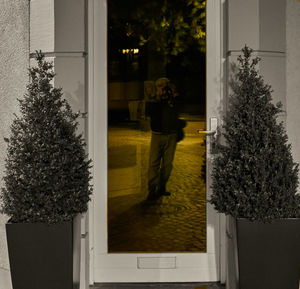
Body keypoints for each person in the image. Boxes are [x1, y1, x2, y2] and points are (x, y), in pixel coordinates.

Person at [146, 77, 181, 201]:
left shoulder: (173, 99)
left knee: (167, 165)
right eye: (158, 87)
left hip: (171, 135)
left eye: (163, 87)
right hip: (157, 135)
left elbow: (178, 109)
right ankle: (152, 190)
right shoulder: (153, 100)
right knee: (153, 164)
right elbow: (148, 113)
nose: (160, 90)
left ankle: (162, 187)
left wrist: (173, 95)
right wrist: (156, 98)